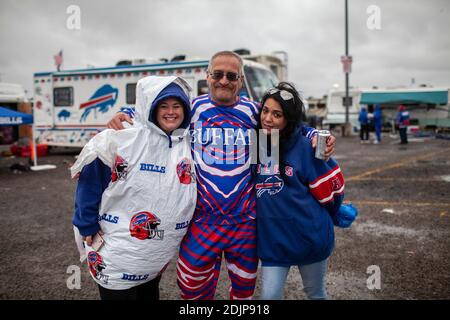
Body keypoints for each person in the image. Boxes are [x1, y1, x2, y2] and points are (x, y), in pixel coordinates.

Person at [107, 50, 337, 300]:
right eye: (217, 74)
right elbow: (155, 116)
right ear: (208, 76)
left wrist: (313, 134)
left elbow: (286, 122)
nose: (224, 81)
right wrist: (125, 115)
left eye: (231, 75)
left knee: (243, 294)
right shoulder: (191, 109)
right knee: (193, 293)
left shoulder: (254, 112)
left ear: (240, 80)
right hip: (202, 222)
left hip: (245, 223)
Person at [71, 76, 197, 300]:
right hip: (117, 254)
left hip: (154, 260)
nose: (171, 112)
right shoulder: (121, 138)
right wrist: (86, 224)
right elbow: (89, 183)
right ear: (152, 109)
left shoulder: (185, 141)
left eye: (177, 106)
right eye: (163, 106)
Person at [254, 82, 357, 300]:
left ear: (288, 119)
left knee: (316, 293)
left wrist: (335, 213)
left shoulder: (308, 147)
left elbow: (333, 192)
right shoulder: (260, 141)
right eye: (265, 110)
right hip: (273, 242)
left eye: (277, 114)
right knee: (269, 297)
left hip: (309, 237)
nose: (268, 118)